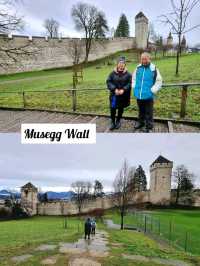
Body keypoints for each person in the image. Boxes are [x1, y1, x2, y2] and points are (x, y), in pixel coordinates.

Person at [132, 52, 163, 133]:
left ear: (149, 59)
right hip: (139, 94)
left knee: (149, 112)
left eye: (145, 59)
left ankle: (149, 126)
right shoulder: (138, 68)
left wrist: (153, 90)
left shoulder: (154, 69)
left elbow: (159, 81)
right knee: (141, 110)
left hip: (148, 95)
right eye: (142, 59)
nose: (143, 60)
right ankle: (141, 123)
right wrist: (134, 87)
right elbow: (134, 78)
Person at [106, 57, 132, 130]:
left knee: (121, 108)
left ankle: (118, 120)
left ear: (125, 65)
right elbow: (108, 81)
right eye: (119, 64)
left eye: (122, 64)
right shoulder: (112, 73)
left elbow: (130, 83)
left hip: (123, 96)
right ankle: (112, 121)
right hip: (114, 95)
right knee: (113, 108)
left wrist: (124, 89)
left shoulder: (128, 74)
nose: (121, 65)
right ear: (117, 64)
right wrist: (114, 89)